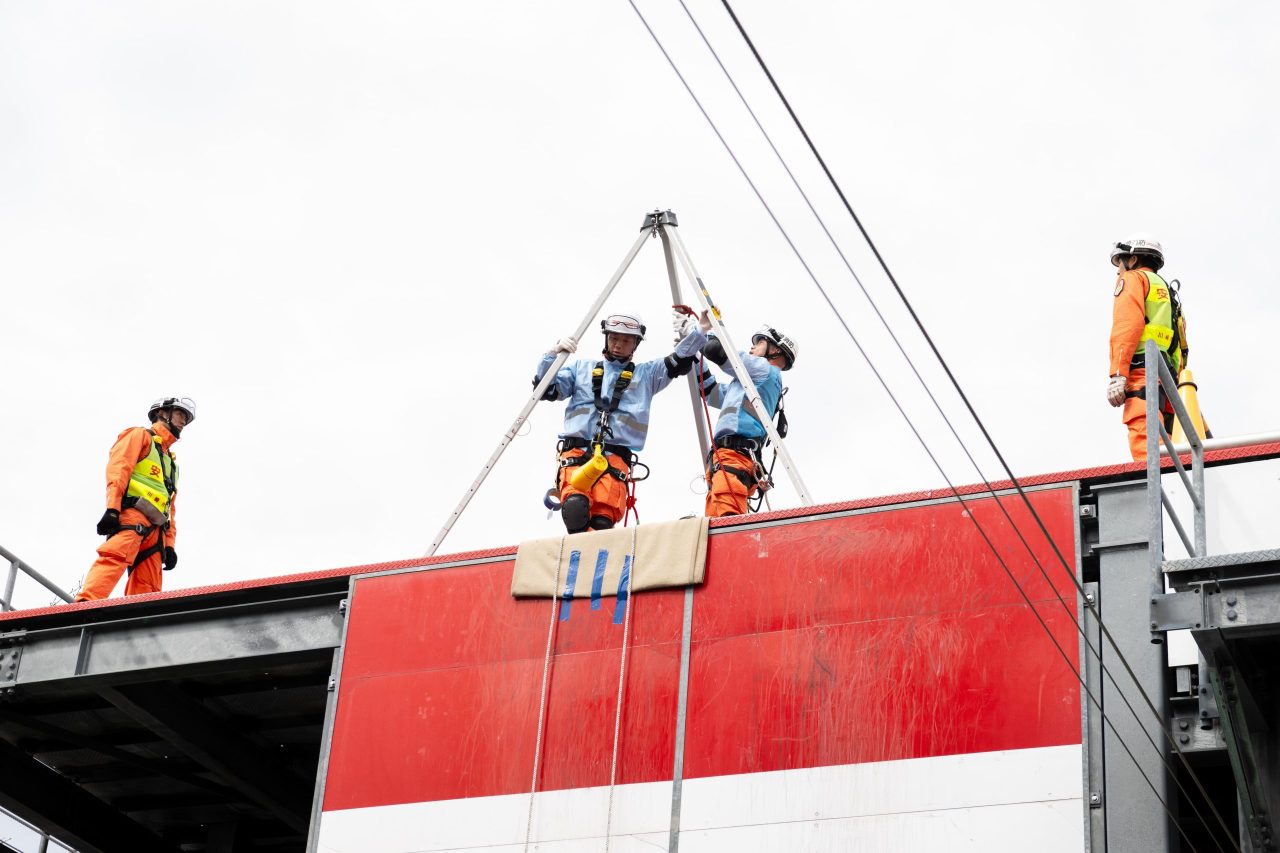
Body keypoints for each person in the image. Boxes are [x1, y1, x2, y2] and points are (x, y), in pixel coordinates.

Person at [535, 310, 709, 534]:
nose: (618, 344)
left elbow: (679, 360)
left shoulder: (647, 375)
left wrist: (701, 330)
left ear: (635, 344)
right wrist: (552, 355)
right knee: (575, 509)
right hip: (577, 454)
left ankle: (594, 557)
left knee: (602, 524)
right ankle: (585, 553)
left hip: (615, 461)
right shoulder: (581, 369)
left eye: (625, 340)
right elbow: (546, 389)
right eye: (614, 338)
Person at [75, 397, 195, 601]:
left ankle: (137, 626)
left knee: (148, 587)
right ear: (162, 413)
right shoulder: (140, 435)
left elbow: (169, 506)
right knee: (114, 558)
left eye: (186, 417)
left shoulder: (171, 462)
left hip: (157, 531)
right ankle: (84, 606)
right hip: (134, 516)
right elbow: (119, 470)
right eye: (180, 414)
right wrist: (113, 509)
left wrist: (169, 545)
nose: (183, 421)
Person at [697, 325, 796, 516]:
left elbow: (715, 350)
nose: (752, 347)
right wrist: (693, 359)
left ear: (775, 350)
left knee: (727, 522)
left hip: (734, 457)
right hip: (727, 458)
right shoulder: (749, 385)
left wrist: (700, 332)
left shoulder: (765, 370)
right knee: (717, 527)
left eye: (759, 342)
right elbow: (710, 392)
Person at [1106, 235, 1189, 461]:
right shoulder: (1169, 294)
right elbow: (1181, 347)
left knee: (1147, 443)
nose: (1118, 272)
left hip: (1144, 374)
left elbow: (1127, 325)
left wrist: (1118, 375)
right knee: (1175, 447)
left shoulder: (1133, 279)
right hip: (1172, 381)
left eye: (1120, 264)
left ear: (1132, 260)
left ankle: (1156, 494)